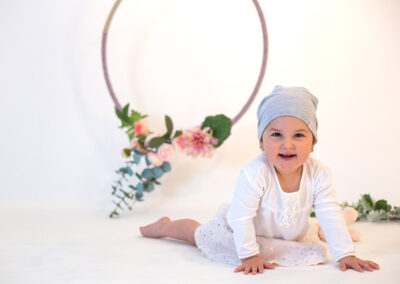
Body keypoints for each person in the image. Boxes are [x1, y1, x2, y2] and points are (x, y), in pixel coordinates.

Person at [140, 85, 380, 274]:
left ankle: (332, 228)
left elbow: (328, 211)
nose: (287, 144)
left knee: (318, 236)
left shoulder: (319, 174)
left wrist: (345, 254)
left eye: (299, 135)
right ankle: (166, 226)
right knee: (199, 234)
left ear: (313, 143)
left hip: (289, 235)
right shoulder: (256, 173)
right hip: (243, 233)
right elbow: (241, 217)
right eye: (276, 134)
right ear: (261, 143)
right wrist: (248, 255)